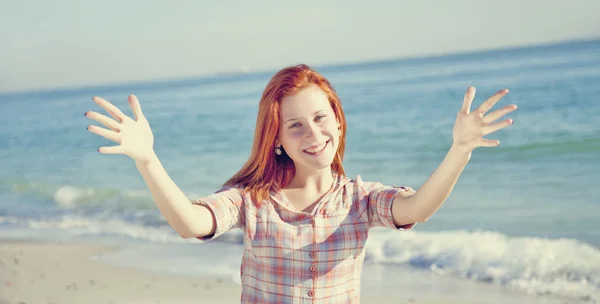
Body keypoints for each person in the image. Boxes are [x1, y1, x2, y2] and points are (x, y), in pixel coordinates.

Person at [85, 64, 517, 303]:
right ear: (276, 138)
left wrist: (460, 149)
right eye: (295, 126)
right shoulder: (251, 200)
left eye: (320, 118)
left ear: (338, 122)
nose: (313, 135)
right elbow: (191, 223)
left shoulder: (360, 200)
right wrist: (148, 159)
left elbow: (416, 208)